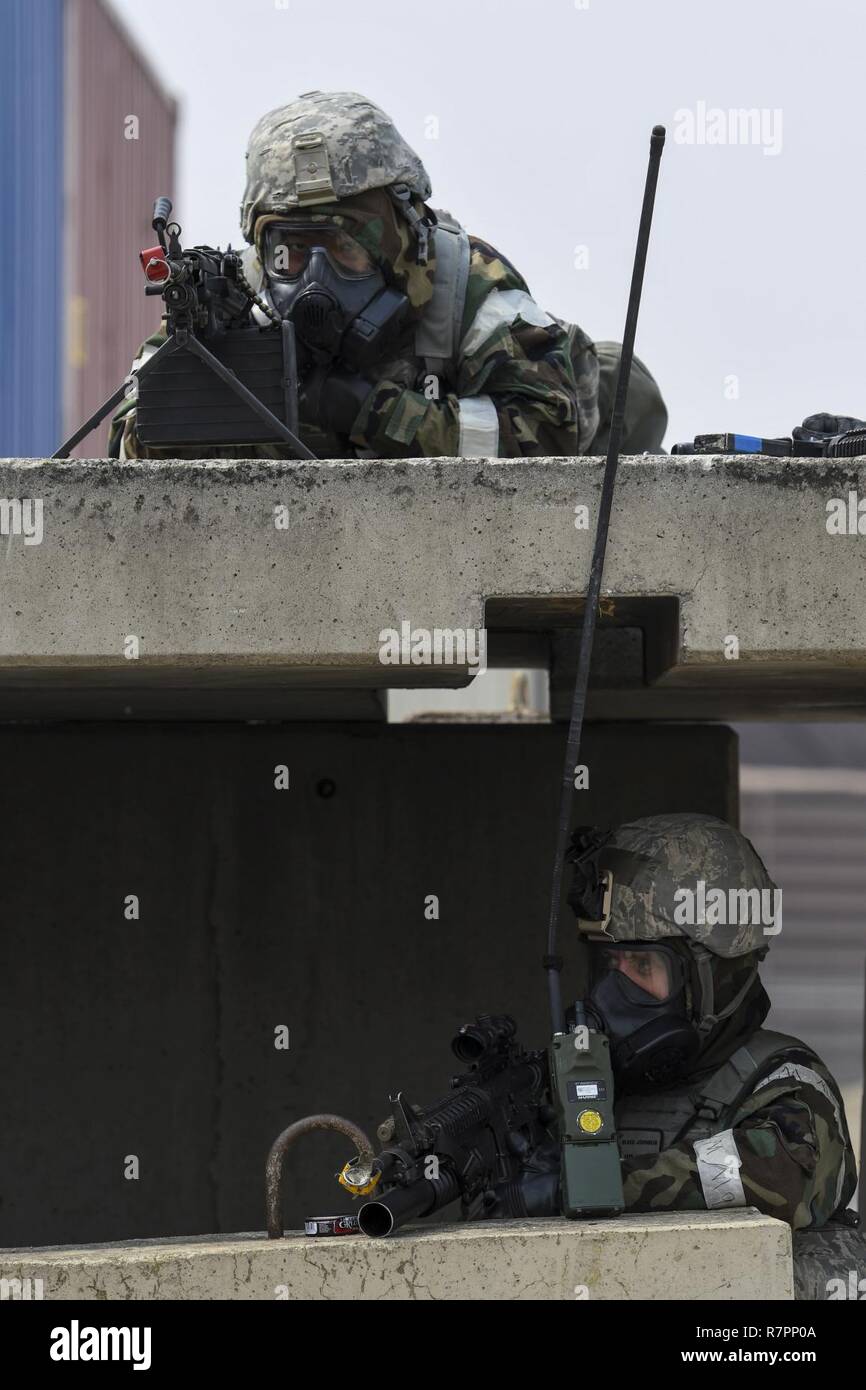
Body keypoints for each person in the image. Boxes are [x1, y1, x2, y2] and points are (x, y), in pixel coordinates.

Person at [109, 90, 667, 461]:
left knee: (626, 393)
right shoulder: (236, 299)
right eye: (293, 252)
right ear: (260, 243)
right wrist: (223, 391)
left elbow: (551, 430)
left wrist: (378, 413)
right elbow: (127, 444)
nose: (315, 285)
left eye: (345, 245)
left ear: (405, 234)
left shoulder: (461, 285)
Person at [500, 813, 865, 1300]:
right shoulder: (598, 1080)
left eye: (644, 965)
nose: (615, 992)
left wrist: (583, 1188)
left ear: (715, 976)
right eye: (609, 965)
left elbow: (774, 1177)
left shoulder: (785, 1077)